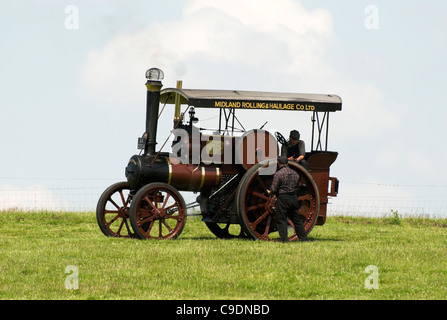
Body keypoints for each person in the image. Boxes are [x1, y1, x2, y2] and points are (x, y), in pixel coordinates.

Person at [267, 156, 308, 242]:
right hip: (293, 198)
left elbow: (274, 189)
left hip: (283, 198)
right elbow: (297, 186)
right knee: (297, 220)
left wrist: (269, 191)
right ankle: (304, 238)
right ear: (287, 163)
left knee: (281, 219)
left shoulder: (278, 174)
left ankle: (284, 240)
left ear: (279, 163)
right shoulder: (295, 173)